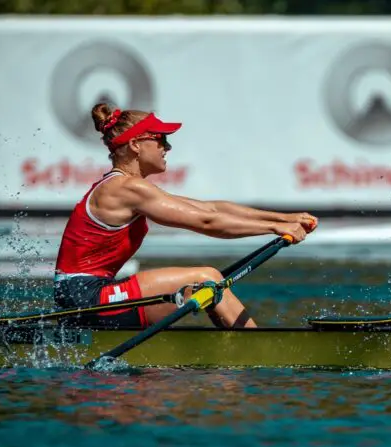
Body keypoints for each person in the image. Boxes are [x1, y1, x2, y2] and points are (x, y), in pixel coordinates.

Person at [53, 103, 317, 329]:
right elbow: (207, 223)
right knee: (208, 280)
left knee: (208, 283)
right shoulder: (125, 189)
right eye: (160, 139)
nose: (167, 146)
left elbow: (211, 209)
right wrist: (273, 227)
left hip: (87, 294)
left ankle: (244, 345)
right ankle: (260, 349)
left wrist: (284, 219)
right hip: (84, 298)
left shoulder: (130, 187)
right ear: (135, 144)